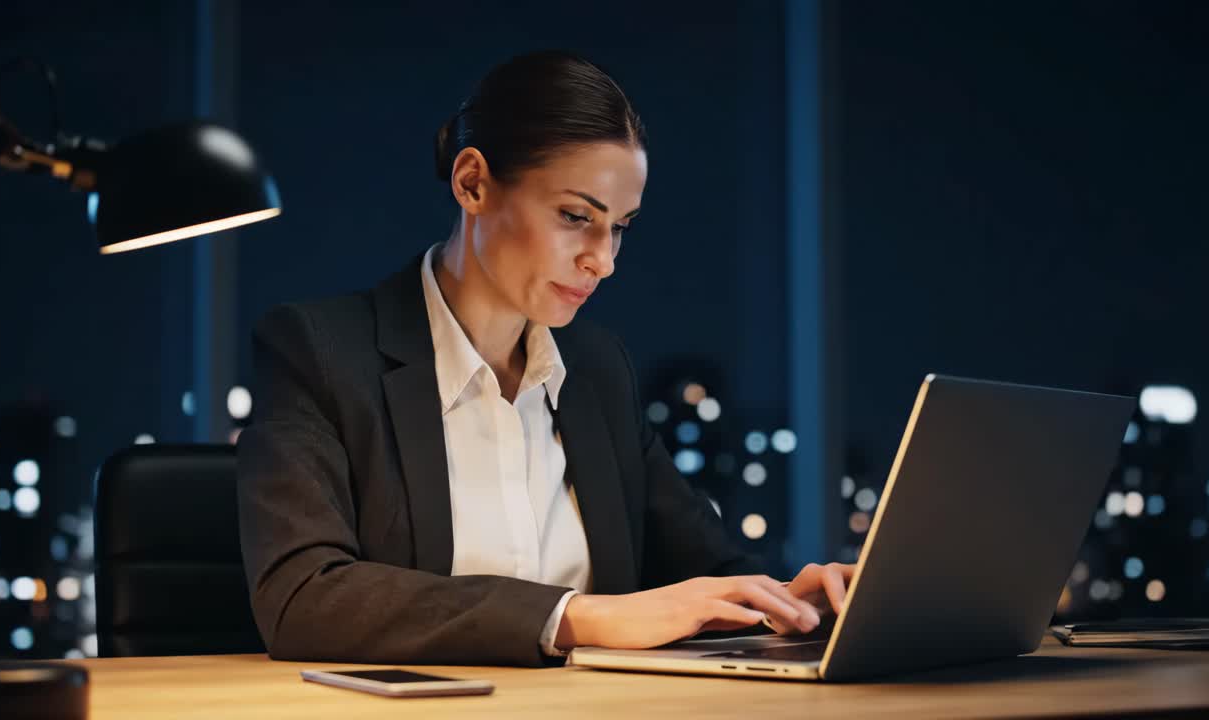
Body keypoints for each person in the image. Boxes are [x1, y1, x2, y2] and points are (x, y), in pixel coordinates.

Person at [237, 50, 853, 667]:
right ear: (472, 183)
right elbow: (302, 598)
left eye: (620, 228)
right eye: (575, 217)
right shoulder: (318, 350)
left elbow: (709, 571)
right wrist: (576, 616)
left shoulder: (597, 368)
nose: (602, 260)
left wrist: (789, 602)